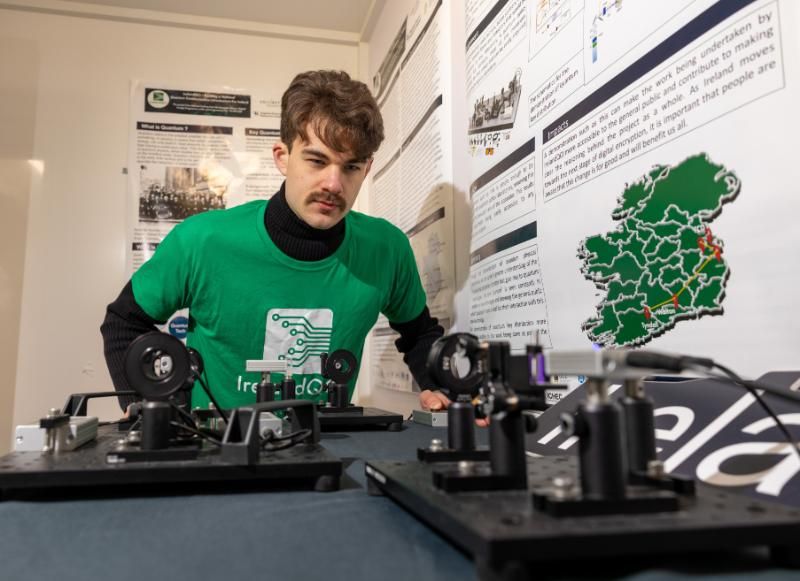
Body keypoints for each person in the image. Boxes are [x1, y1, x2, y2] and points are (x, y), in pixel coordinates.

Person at [101, 69, 448, 413]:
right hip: (218, 455)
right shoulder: (202, 240)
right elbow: (123, 322)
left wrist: (441, 387)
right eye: (317, 160)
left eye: (351, 167)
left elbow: (419, 335)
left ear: (367, 169)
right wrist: (146, 407)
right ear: (282, 157)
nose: (333, 184)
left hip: (325, 454)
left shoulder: (386, 248)